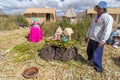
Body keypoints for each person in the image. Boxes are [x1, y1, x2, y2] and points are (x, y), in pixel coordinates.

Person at [85, 1, 113, 73]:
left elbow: (108, 30)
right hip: (92, 38)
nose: (98, 9)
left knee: (97, 54)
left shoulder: (108, 18)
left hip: (99, 40)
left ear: (104, 9)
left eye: (100, 8)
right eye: (97, 8)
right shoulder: (96, 17)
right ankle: (91, 61)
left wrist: (103, 40)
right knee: (89, 51)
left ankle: (98, 69)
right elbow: (91, 27)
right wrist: (87, 35)